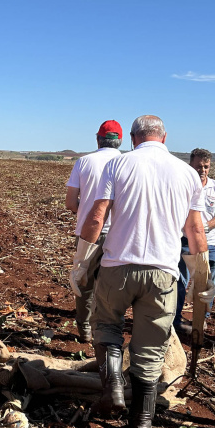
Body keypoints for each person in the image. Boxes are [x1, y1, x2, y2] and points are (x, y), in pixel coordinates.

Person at [73, 115, 213, 428]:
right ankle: (142, 425)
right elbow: (195, 230)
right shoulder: (187, 174)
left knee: (107, 325)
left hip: (118, 265)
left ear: (134, 139)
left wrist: (81, 262)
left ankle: (114, 389)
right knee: (151, 348)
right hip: (164, 273)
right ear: (164, 139)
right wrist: (201, 279)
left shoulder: (119, 166)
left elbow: (96, 217)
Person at [65, 120, 124, 343]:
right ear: (120, 141)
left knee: (84, 283)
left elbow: (70, 202)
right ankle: (106, 331)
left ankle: (85, 330)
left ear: (98, 139)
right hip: (120, 235)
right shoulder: (127, 163)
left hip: (87, 234)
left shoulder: (83, 162)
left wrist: (86, 215)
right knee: (111, 286)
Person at [173, 148, 215, 338]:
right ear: (191, 165)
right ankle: (176, 319)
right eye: (198, 166)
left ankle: (202, 317)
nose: (202, 170)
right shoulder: (183, 186)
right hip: (185, 241)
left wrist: (204, 226)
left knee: (209, 283)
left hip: (210, 244)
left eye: (206, 167)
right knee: (180, 279)